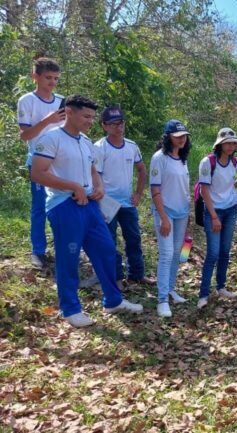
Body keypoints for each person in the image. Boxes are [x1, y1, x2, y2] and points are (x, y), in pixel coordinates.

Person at [30, 95, 143, 327]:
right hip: (64, 206)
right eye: (86, 116)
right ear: (69, 112)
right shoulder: (51, 139)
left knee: (106, 250)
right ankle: (70, 308)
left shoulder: (85, 141)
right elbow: (37, 173)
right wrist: (72, 186)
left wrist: (99, 187)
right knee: (68, 257)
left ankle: (113, 300)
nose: (90, 121)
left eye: (92, 117)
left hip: (90, 206)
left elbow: (93, 170)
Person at [90, 106, 153, 288]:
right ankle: (116, 277)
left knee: (133, 238)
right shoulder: (99, 148)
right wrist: (100, 196)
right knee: (110, 241)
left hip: (127, 203)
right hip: (107, 203)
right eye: (114, 124)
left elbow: (141, 169)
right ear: (104, 126)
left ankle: (136, 274)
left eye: (121, 122)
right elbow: (96, 176)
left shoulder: (131, 146)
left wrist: (138, 193)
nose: (119, 127)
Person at [18, 57, 65, 269]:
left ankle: (65, 249)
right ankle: (38, 251)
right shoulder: (26, 101)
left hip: (63, 162)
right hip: (38, 161)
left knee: (64, 205)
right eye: (48, 78)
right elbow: (25, 135)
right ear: (35, 76)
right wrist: (49, 120)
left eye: (56, 78)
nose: (52, 82)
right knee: (39, 207)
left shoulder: (63, 101)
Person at [196, 127, 237, 308]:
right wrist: (214, 216)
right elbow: (204, 190)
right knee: (213, 253)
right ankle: (203, 293)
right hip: (213, 211)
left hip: (230, 209)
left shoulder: (235, 162)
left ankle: (221, 286)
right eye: (227, 143)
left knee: (225, 251)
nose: (231, 146)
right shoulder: (208, 162)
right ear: (220, 144)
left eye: (233, 143)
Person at [150, 119, 192, 318]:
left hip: (182, 212)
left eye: (184, 136)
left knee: (177, 252)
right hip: (164, 211)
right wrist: (163, 218)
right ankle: (162, 299)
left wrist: (188, 212)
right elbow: (155, 189)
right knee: (166, 254)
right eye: (177, 137)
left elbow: (184, 188)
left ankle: (170, 289)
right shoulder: (159, 158)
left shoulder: (182, 158)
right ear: (168, 138)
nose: (182, 140)